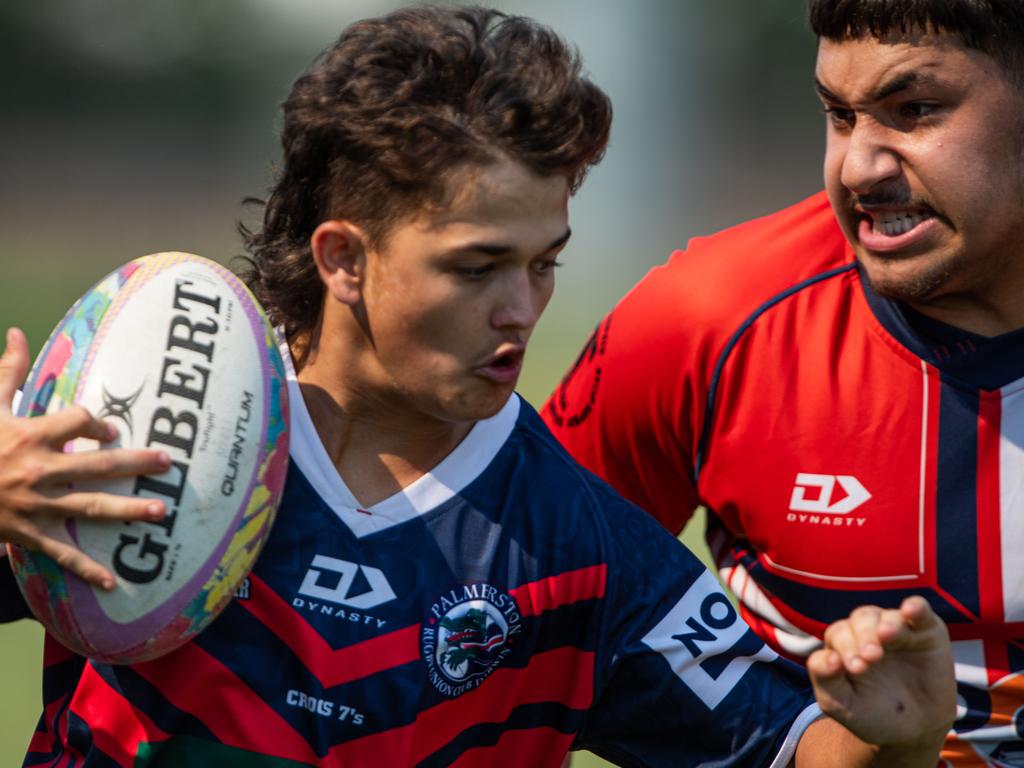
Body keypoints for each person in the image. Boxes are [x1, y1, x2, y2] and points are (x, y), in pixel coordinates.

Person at [0, 6, 954, 767]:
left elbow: (786, 751)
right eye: (476, 267)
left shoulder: (577, 544)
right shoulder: (145, 423)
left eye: (544, 264)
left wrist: (889, 740)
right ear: (344, 259)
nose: (521, 309)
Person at [543, 0, 1024, 765]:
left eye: (914, 110)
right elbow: (522, 619)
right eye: (839, 115)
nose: (858, 167)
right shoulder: (707, 319)